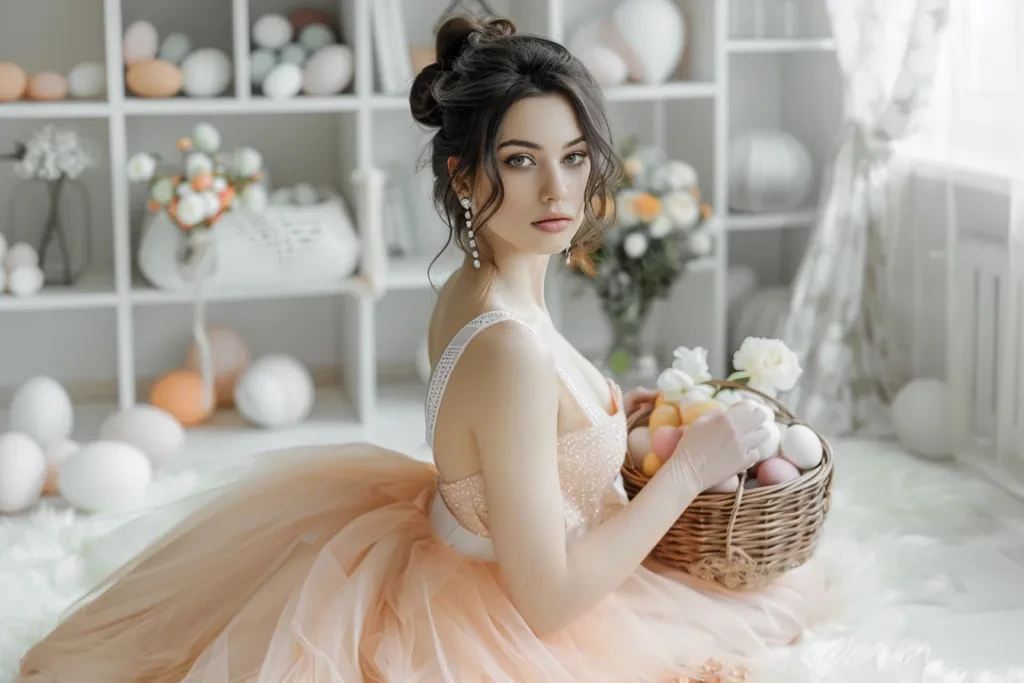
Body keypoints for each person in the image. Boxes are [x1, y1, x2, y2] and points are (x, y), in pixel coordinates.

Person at [17, 16, 828, 683]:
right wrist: (685, 472)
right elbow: (546, 602)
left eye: (573, 157)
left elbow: (532, 427)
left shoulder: (488, 283)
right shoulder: (505, 345)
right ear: (466, 177)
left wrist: (612, 412)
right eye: (521, 162)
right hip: (498, 620)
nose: (558, 191)